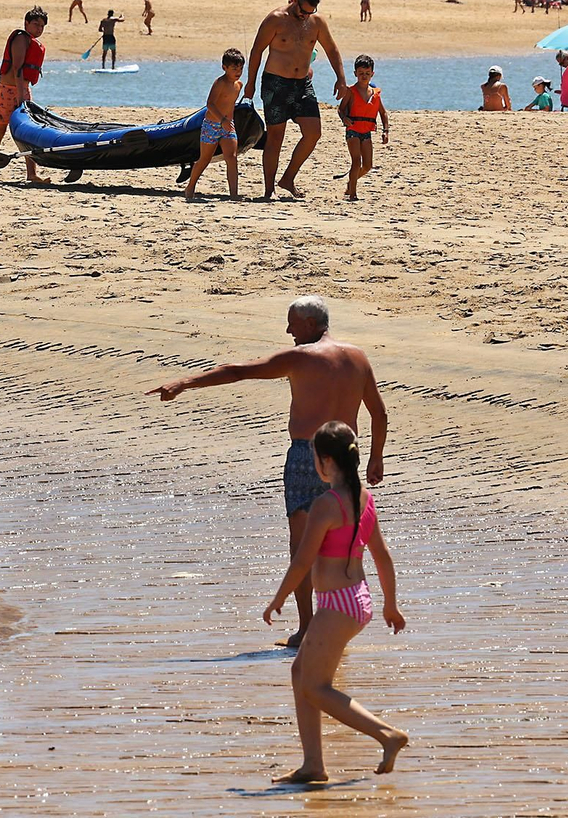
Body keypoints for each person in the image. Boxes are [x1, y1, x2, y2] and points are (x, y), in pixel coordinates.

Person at [148, 296, 389, 647]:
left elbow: (238, 371)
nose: (288, 330)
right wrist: (375, 459)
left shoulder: (301, 357)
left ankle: (308, 629)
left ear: (309, 323)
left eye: (292, 322)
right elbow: (379, 414)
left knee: (304, 545)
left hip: (309, 455)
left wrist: (184, 383)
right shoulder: (358, 358)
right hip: (347, 456)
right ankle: (339, 623)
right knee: (342, 542)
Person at [263, 420, 407, 783]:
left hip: (339, 606)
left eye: (314, 457)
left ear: (325, 462)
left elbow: (302, 560)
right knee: (301, 673)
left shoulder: (327, 504)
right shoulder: (363, 498)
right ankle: (313, 765)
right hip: (357, 601)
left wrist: (278, 598)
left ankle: (386, 735)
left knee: (315, 686)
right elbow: (383, 557)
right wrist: (390, 605)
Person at [244, 0, 347, 201]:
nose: (305, 16)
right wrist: (250, 82)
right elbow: (257, 51)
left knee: (313, 133)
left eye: (310, 12)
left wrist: (341, 78)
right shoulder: (275, 19)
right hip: (275, 84)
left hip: (302, 85)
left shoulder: (316, 23)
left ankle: (288, 178)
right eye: (303, 10)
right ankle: (268, 190)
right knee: (275, 137)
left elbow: (331, 49)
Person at [0, 6, 48, 184]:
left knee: (28, 132)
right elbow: (17, 69)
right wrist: (21, 96)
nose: (39, 29)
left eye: (42, 26)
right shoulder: (20, 38)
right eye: (35, 24)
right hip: (9, 90)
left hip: (22, 90)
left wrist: (23, 93)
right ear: (26, 23)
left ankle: (31, 174)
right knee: (0, 129)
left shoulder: (32, 42)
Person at [183, 48, 244, 199]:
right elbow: (210, 103)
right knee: (205, 159)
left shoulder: (239, 85)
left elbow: (230, 104)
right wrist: (221, 120)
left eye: (241, 68)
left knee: (232, 157)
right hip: (211, 125)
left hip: (228, 127)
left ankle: (234, 194)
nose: (238, 72)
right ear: (225, 68)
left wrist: (227, 121)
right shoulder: (220, 83)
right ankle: (190, 188)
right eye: (234, 68)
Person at [339, 55, 384, 201]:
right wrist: (344, 118)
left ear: (372, 74)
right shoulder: (350, 91)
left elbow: (382, 113)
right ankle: (353, 194)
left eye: (367, 73)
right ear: (355, 74)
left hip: (366, 131)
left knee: (368, 165)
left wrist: (386, 131)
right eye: (361, 74)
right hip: (353, 130)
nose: (364, 76)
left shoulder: (375, 93)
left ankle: (351, 183)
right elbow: (341, 109)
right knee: (356, 162)